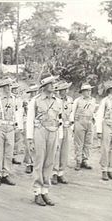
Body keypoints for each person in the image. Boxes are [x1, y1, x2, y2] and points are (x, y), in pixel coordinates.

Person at [26, 74, 63, 206]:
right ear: (44, 86)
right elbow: (29, 120)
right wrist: (29, 138)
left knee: (49, 163)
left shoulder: (58, 101)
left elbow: (60, 121)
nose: (53, 86)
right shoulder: (35, 101)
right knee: (39, 162)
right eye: (51, 84)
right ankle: (37, 192)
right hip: (40, 132)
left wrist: (59, 138)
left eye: (53, 83)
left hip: (53, 132)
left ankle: (45, 191)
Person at [0, 77, 21, 187]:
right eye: (6, 86)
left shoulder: (15, 99)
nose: (8, 88)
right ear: (2, 87)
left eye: (9, 86)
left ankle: (5, 174)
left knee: (9, 152)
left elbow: (17, 113)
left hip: (10, 128)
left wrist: (18, 126)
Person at [70, 83, 96, 171]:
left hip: (89, 122)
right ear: (82, 92)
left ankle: (85, 160)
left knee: (88, 142)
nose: (88, 92)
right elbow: (72, 112)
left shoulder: (93, 100)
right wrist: (73, 125)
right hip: (80, 121)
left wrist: (93, 121)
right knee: (79, 143)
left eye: (89, 90)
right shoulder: (77, 100)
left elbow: (93, 111)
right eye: (86, 90)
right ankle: (78, 161)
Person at [51, 80, 73, 185]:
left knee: (65, 150)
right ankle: (54, 173)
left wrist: (71, 123)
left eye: (65, 89)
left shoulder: (70, 100)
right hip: (57, 127)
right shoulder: (54, 100)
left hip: (67, 127)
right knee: (56, 150)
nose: (63, 91)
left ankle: (61, 172)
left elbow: (71, 113)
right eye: (61, 90)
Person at [23, 85, 39, 174]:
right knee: (28, 143)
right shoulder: (26, 101)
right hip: (28, 122)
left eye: (36, 91)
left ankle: (36, 162)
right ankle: (28, 164)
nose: (34, 93)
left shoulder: (39, 100)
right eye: (32, 91)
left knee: (37, 144)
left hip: (38, 124)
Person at [10, 82, 22, 165]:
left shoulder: (19, 98)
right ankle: (8, 156)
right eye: (14, 88)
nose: (16, 90)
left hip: (19, 121)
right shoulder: (10, 98)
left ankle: (13, 157)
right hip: (12, 121)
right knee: (10, 140)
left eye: (17, 88)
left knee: (17, 141)